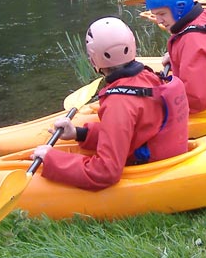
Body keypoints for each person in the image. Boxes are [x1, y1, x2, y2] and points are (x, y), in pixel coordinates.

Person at [32, 17, 189, 191]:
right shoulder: (149, 76)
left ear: (93, 59)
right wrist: (80, 133)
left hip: (149, 166)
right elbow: (133, 129)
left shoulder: (118, 102)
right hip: (164, 154)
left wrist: (52, 160)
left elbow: (105, 173)